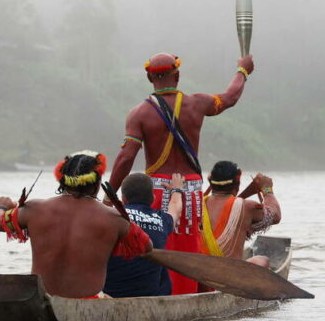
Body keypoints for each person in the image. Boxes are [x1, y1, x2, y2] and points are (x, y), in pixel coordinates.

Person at [107, 52, 254, 294]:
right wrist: (243, 71)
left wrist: (110, 194)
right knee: (188, 247)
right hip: (191, 191)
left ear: (148, 78)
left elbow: (125, 158)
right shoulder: (197, 103)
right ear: (177, 75)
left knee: (154, 247)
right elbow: (230, 97)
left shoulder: (139, 113)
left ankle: (155, 295)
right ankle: (186, 297)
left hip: (154, 191)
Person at [0, 151, 152, 299]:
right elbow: (146, 246)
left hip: (41, 300)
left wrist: (0, 207)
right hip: (89, 302)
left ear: (62, 181)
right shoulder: (114, 218)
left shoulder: (33, 209)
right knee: (107, 298)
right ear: (98, 182)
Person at [103, 173, 185, 297]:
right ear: (152, 198)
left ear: (123, 198)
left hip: (110, 295)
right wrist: (176, 190)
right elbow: (175, 208)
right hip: (150, 296)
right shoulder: (161, 220)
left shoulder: (111, 217)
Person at [199, 161, 281, 269]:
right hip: (231, 274)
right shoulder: (247, 207)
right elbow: (275, 215)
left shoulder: (197, 204)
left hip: (200, 270)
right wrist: (267, 189)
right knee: (262, 260)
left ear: (210, 182)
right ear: (237, 185)